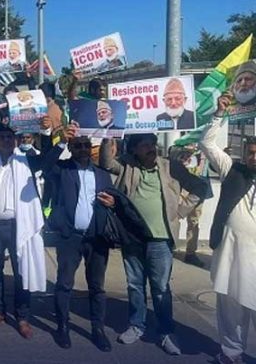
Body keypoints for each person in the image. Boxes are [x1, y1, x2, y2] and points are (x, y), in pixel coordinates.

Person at [100, 133, 211, 355]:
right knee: (134, 285)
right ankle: (136, 325)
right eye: (145, 146)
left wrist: (181, 210)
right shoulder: (126, 165)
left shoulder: (170, 167)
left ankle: (166, 332)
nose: (151, 148)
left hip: (160, 240)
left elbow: (202, 188)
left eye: (152, 144)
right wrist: (107, 137)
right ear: (134, 150)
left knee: (161, 289)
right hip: (132, 237)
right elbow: (105, 163)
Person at [44, 124, 115, 352]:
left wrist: (113, 203)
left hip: (96, 238)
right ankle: (62, 326)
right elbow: (44, 166)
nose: (83, 149)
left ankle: (98, 329)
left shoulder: (103, 175)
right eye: (78, 146)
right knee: (64, 284)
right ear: (72, 149)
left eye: (86, 145)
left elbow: (114, 204)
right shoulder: (62, 169)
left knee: (97, 287)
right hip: (70, 237)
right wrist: (62, 141)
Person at [0, 122, 50, 340]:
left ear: (16, 140)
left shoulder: (25, 160)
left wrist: (46, 133)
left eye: (11, 137)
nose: (7, 141)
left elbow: (48, 159)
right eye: (3, 137)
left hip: (17, 225)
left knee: (21, 270)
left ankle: (22, 316)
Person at [199, 92, 256, 364]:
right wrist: (219, 114)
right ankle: (231, 354)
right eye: (251, 152)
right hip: (231, 254)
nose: (254, 157)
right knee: (230, 307)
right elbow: (207, 144)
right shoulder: (232, 170)